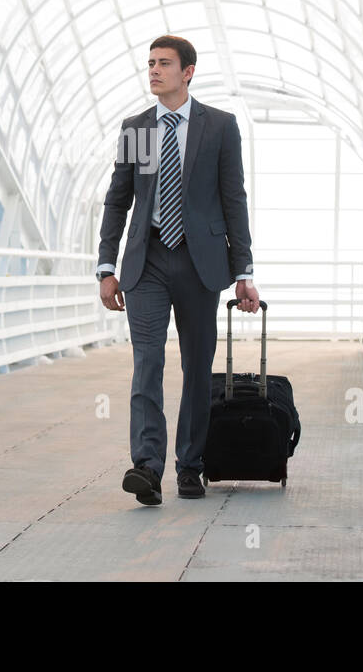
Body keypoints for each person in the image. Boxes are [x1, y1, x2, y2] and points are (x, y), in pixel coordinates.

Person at [96, 35, 259, 506]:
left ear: (188, 71)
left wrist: (244, 270)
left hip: (199, 262)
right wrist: (107, 266)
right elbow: (118, 201)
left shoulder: (220, 127)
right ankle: (146, 467)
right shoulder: (138, 129)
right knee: (147, 362)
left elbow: (234, 199)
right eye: (149, 63)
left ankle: (190, 465)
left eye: (164, 63)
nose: (154, 71)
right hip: (145, 263)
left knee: (194, 366)